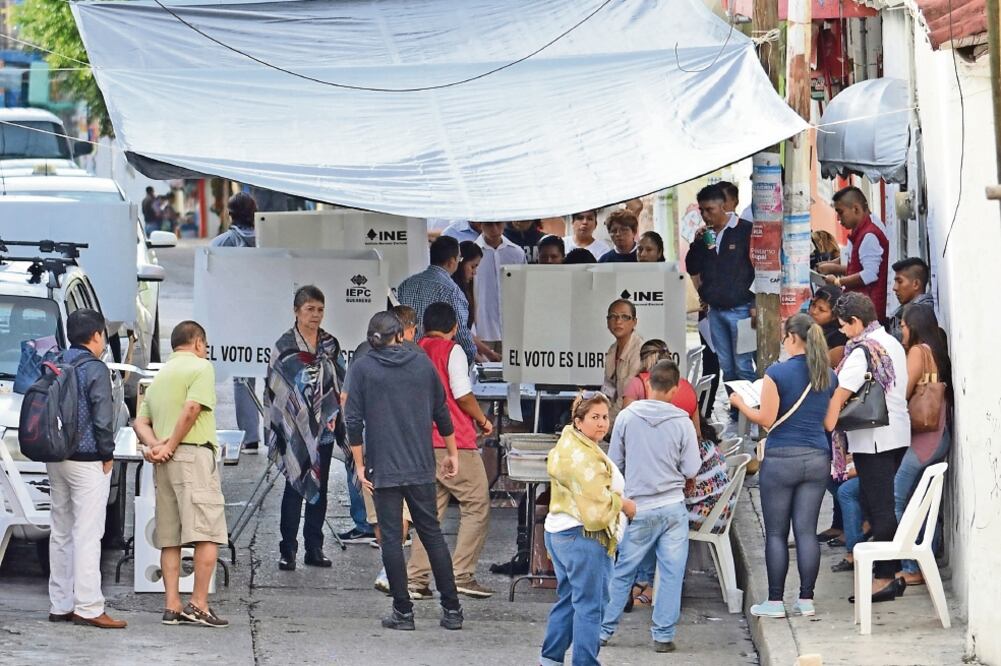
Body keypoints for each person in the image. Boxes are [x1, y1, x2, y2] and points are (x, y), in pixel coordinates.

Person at [345, 312, 464, 631]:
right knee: (432, 534)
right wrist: (452, 452)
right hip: (421, 464)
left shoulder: (363, 368)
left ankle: (403, 611)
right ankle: (452, 610)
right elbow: (441, 411)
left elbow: (352, 421)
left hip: (382, 466)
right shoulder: (422, 364)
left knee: (391, 540)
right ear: (400, 335)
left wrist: (359, 464)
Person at [731, 313, 838, 618]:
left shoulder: (776, 373)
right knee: (806, 531)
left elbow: (766, 419)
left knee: (777, 533)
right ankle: (806, 600)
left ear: (792, 337)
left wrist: (740, 404)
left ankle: (776, 601)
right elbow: (830, 423)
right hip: (816, 458)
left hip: (780, 460)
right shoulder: (829, 375)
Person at [600, 361, 700, 653]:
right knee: (671, 572)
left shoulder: (626, 417)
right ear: (675, 389)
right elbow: (691, 468)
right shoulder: (682, 421)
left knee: (623, 570)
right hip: (672, 507)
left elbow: (614, 464)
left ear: (647, 384)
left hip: (637, 506)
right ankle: (663, 635)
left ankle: (603, 631)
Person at [133, 321, 229, 628]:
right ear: (198, 342)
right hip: (192, 457)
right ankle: (199, 604)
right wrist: (171, 445)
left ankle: (172, 605)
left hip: (164, 464)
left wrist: (156, 447)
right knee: (207, 532)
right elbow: (192, 409)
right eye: (205, 345)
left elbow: (140, 422)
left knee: (170, 537)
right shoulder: (201, 368)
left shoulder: (161, 376)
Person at [823, 292, 910, 604]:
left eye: (844, 325)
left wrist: (826, 426)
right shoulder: (891, 343)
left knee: (879, 508)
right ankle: (891, 572)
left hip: (873, 440)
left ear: (856, 321)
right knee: (882, 506)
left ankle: (884, 578)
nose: (842, 331)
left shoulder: (863, 351)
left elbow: (839, 396)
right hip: (896, 434)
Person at [407, 302, 496, 599]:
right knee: (477, 503)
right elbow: (462, 394)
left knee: (428, 513)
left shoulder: (415, 350)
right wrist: (482, 420)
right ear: (455, 328)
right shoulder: (452, 350)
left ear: (424, 327)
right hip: (453, 441)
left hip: (420, 441)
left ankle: (416, 578)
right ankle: (462, 574)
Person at [45, 309, 126, 629]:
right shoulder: (95, 368)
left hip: (56, 457)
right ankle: (89, 607)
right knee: (88, 534)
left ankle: (60, 603)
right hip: (88, 460)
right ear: (96, 335)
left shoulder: (56, 362)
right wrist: (107, 453)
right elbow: (103, 418)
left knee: (61, 531)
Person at [540, 392, 634, 666]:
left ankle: (550, 659)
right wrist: (624, 505)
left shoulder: (569, 444)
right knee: (590, 607)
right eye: (595, 417)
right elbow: (596, 503)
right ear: (578, 421)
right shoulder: (584, 456)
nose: (602, 423)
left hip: (559, 533)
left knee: (570, 599)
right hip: (584, 537)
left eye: (605, 417)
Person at [266, 286, 346, 571]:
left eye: (320, 310)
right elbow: (276, 390)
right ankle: (287, 550)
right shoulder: (285, 346)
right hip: (294, 429)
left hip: (323, 428)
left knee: (319, 488)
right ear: (296, 311)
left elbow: (340, 381)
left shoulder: (330, 344)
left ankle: (315, 548)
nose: (315, 315)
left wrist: (335, 411)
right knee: (294, 487)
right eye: (310, 309)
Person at [685, 184, 756, 422]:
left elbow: (759, 268)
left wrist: (756, 304)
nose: (706, 215)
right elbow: (693, 266)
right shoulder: (706, 236)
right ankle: (737, 412)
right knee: (727, 365)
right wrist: (696, 243)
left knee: (744, 364)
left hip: (743, 309)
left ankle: (752, 412)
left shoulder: (745, 231)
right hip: (715, 311)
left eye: (710, 210)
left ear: (723, 206)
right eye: (702, 211)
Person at [894, 304, 952, 586]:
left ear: (914, 326)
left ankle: (912, 566)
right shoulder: (936, 349)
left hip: (925, 438)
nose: (901, 331)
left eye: (904, 326)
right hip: (939, 434)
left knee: (897, 498)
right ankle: (925, 559)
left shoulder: (918, 351)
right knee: (923, 502)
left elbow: (903, 391)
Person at [211, 192, 261, 455]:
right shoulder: (270, 240)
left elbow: (211, 284)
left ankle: (249, 438)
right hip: (269, 316)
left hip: (236, 320)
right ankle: (279, 437)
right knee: (276, 378)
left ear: (229, 215)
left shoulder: (220, 244)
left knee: (243, 377)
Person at [397, 235, 477, 362]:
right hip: (437, 360)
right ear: (451, 261)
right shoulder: (453, 291)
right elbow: (461, 332)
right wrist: (469, 355)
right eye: (459, 258)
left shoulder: (406, 284)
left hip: (406, 358)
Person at [816, 187, 890, 323]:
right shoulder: (859, 232)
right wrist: (831, 265)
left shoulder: (869, 235)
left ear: (856, 209)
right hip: (859, 310)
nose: (838, 218)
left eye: (840, 212)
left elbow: (870, 274)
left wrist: (837, 281)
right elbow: (854, 263)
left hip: (868, 313)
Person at [473, 221, 526, 352]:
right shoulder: (472, 253)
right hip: (482, 330)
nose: (495, 229)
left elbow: (523, 289)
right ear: (481, 224)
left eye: (498, 224)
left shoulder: (517, 253)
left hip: (512, 329)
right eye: (489, 224)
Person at [451, 241, 502, 362]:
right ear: (460, 263)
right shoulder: (453, 291)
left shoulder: (464, 289)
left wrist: (488, 353)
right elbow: (460, 333)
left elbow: (465, 331)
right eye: (472, 266)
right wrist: (482, 359)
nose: (474, 272)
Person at [686, 412, 735, 534]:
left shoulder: (694, 449)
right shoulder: (707, 440)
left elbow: (685, 492)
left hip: (709, 515)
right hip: (725, 506)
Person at [602, 299, 644, 424]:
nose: (618, 321)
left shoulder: (639, 351)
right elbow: (608, 391)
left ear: (634, 322)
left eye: (625, 317)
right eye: (613, 317)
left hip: (636, 419)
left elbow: (627, 398)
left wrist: (606, 424)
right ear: (607, 322)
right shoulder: (612, 350)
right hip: (617, 417)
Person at [888, 257, 935, 341]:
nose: (895, 288)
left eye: (900, 281)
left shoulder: (922, 314)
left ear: (916, 284)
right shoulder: (903, 310)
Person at [809, 284, 848, 367]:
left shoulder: (839, 339)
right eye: (813, 305)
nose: (814, 312)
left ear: (834, 315)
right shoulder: (807, 326)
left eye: (821, 310)